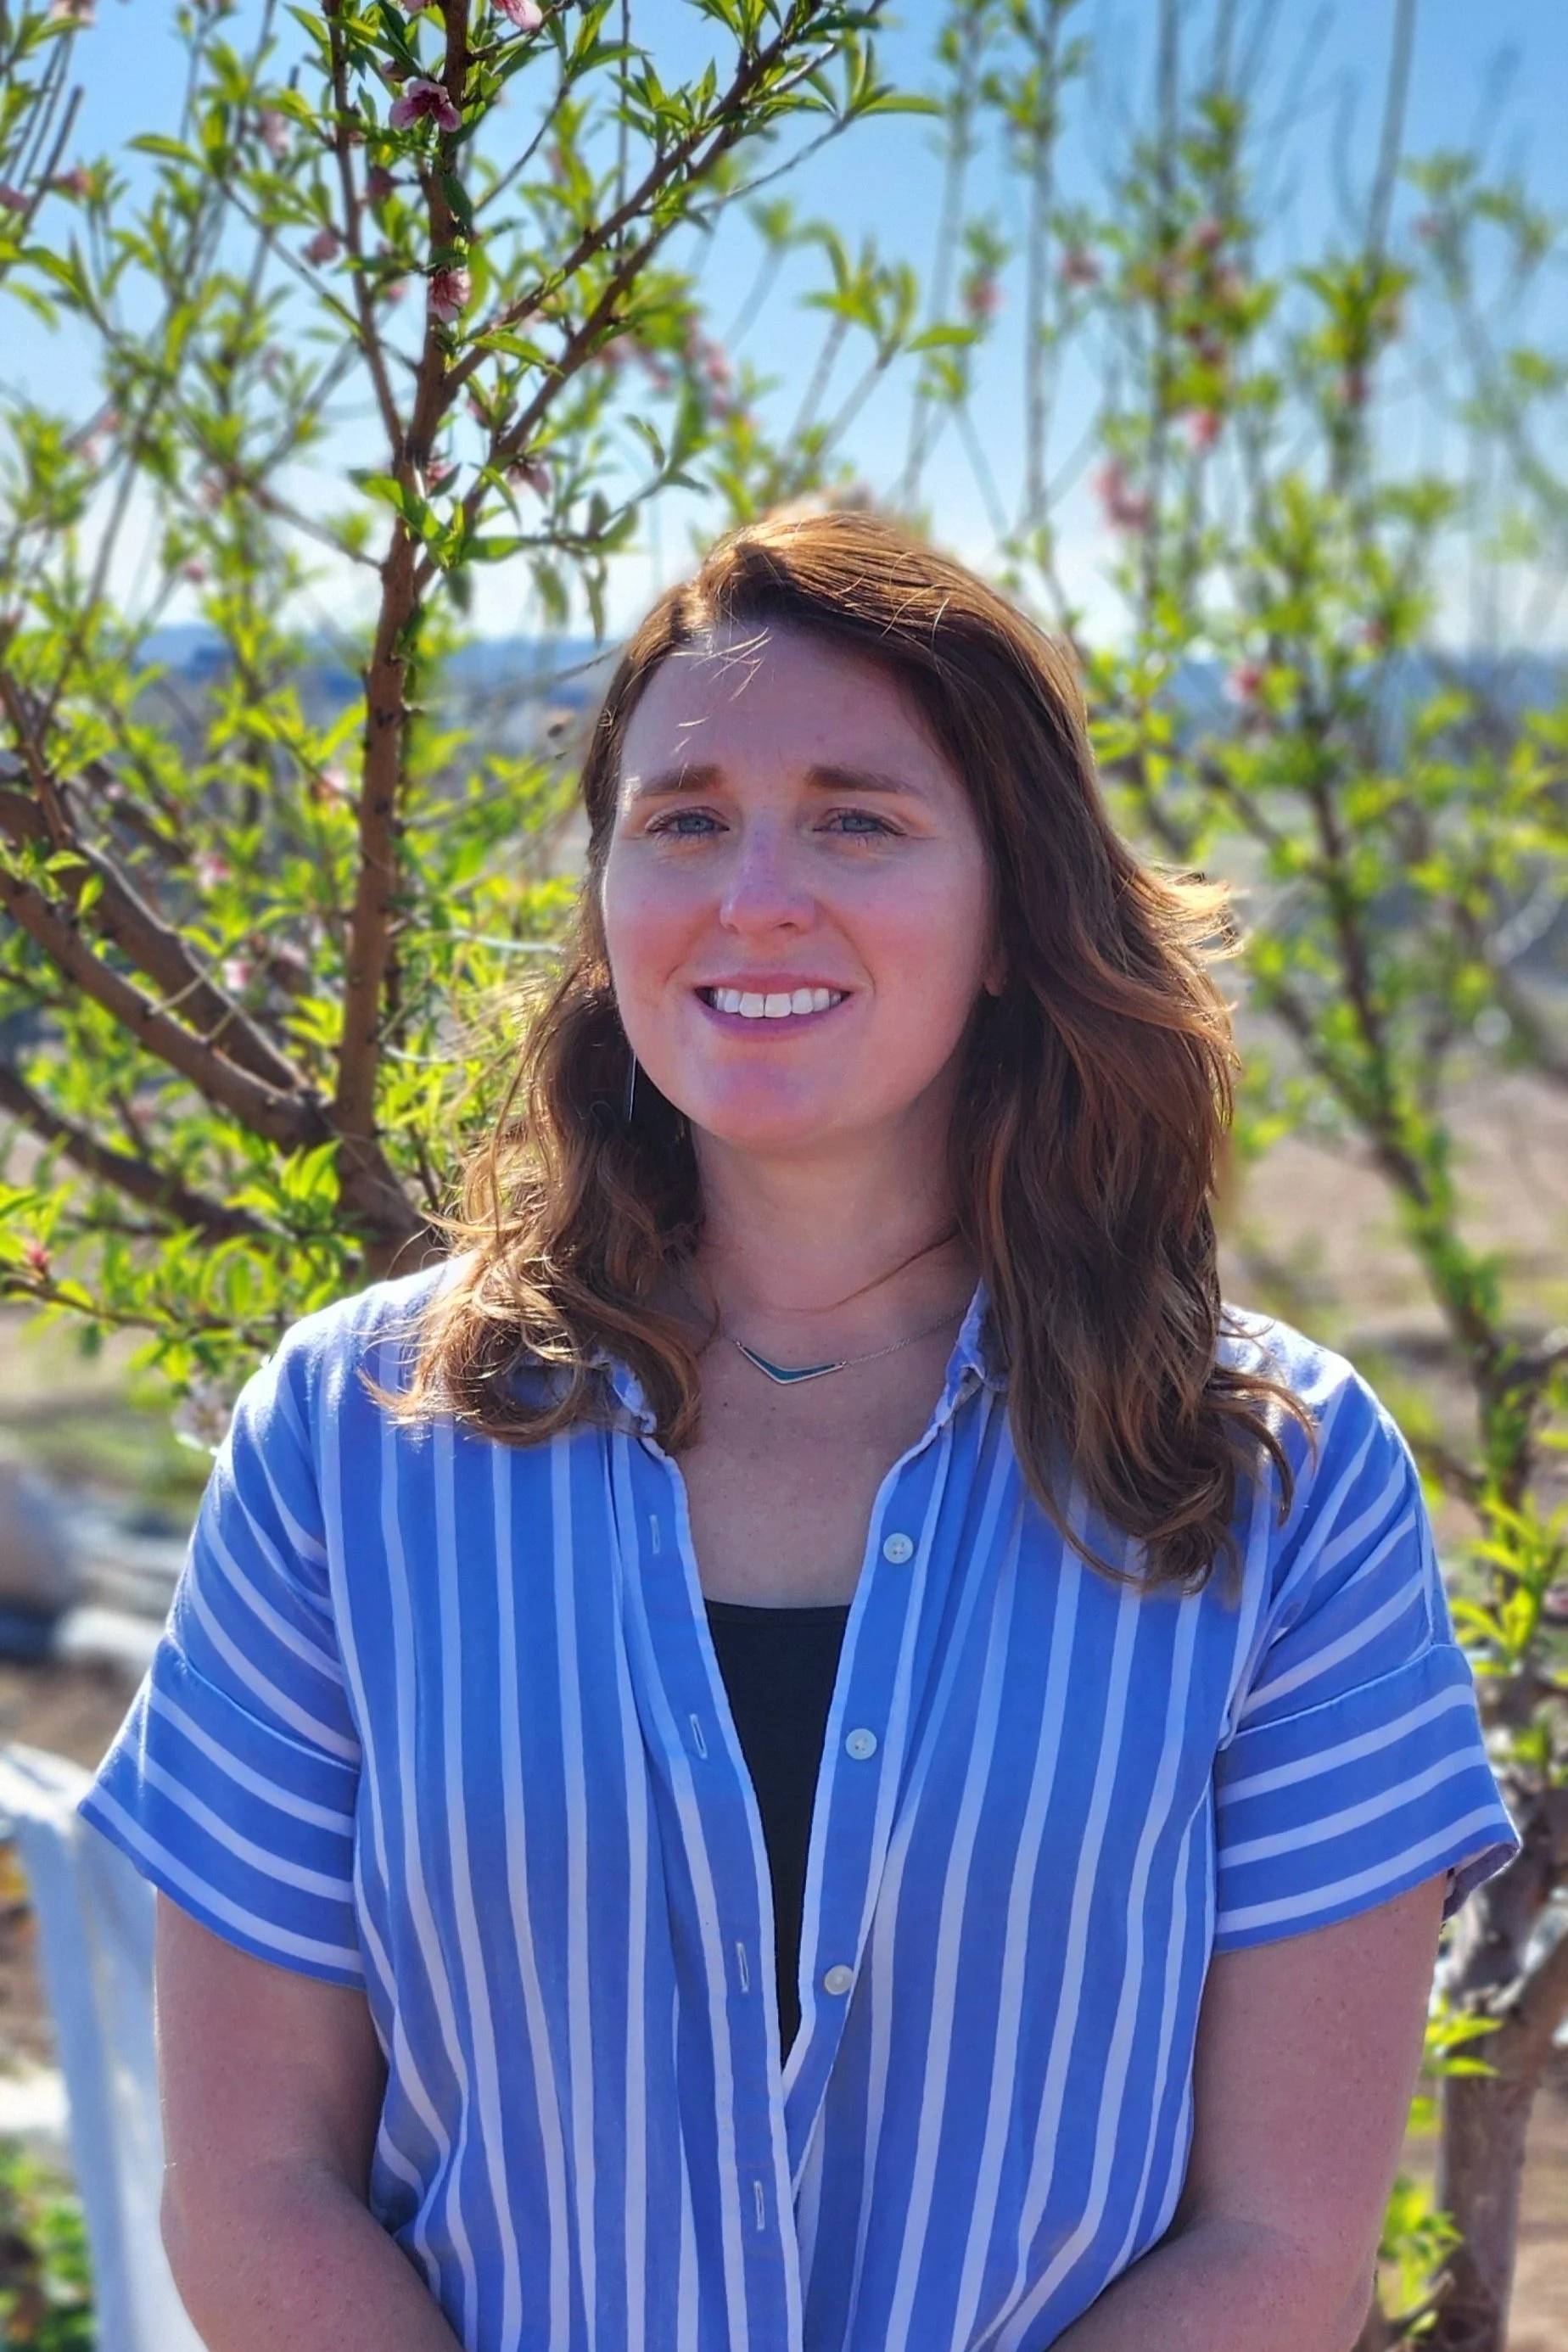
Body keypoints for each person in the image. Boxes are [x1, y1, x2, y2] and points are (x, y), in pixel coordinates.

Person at [81, 507, 1518, 2352]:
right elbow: (255, 2186)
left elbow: (1278, 2246)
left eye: (858, 815)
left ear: (1015, 915)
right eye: (684, 818)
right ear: (609, 906)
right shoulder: (348, 1446)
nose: (756, 890)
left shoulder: (1279, 1482)